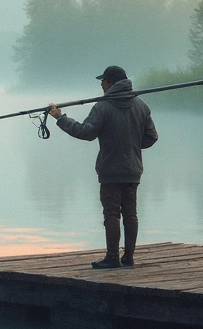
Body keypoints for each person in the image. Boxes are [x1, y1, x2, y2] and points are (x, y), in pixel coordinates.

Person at [48, 66, 158, 269]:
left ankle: (112, 258)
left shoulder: (102, 107)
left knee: (112, 213)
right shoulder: (141, 105)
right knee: (131, 214)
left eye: (103, 81)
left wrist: (60, 118)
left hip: (110, 170)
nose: (100, 85)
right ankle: (129, 257)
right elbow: (152, 137)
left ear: (110, 82)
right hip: (133, 170)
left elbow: (85, 132)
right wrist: (131, 145)